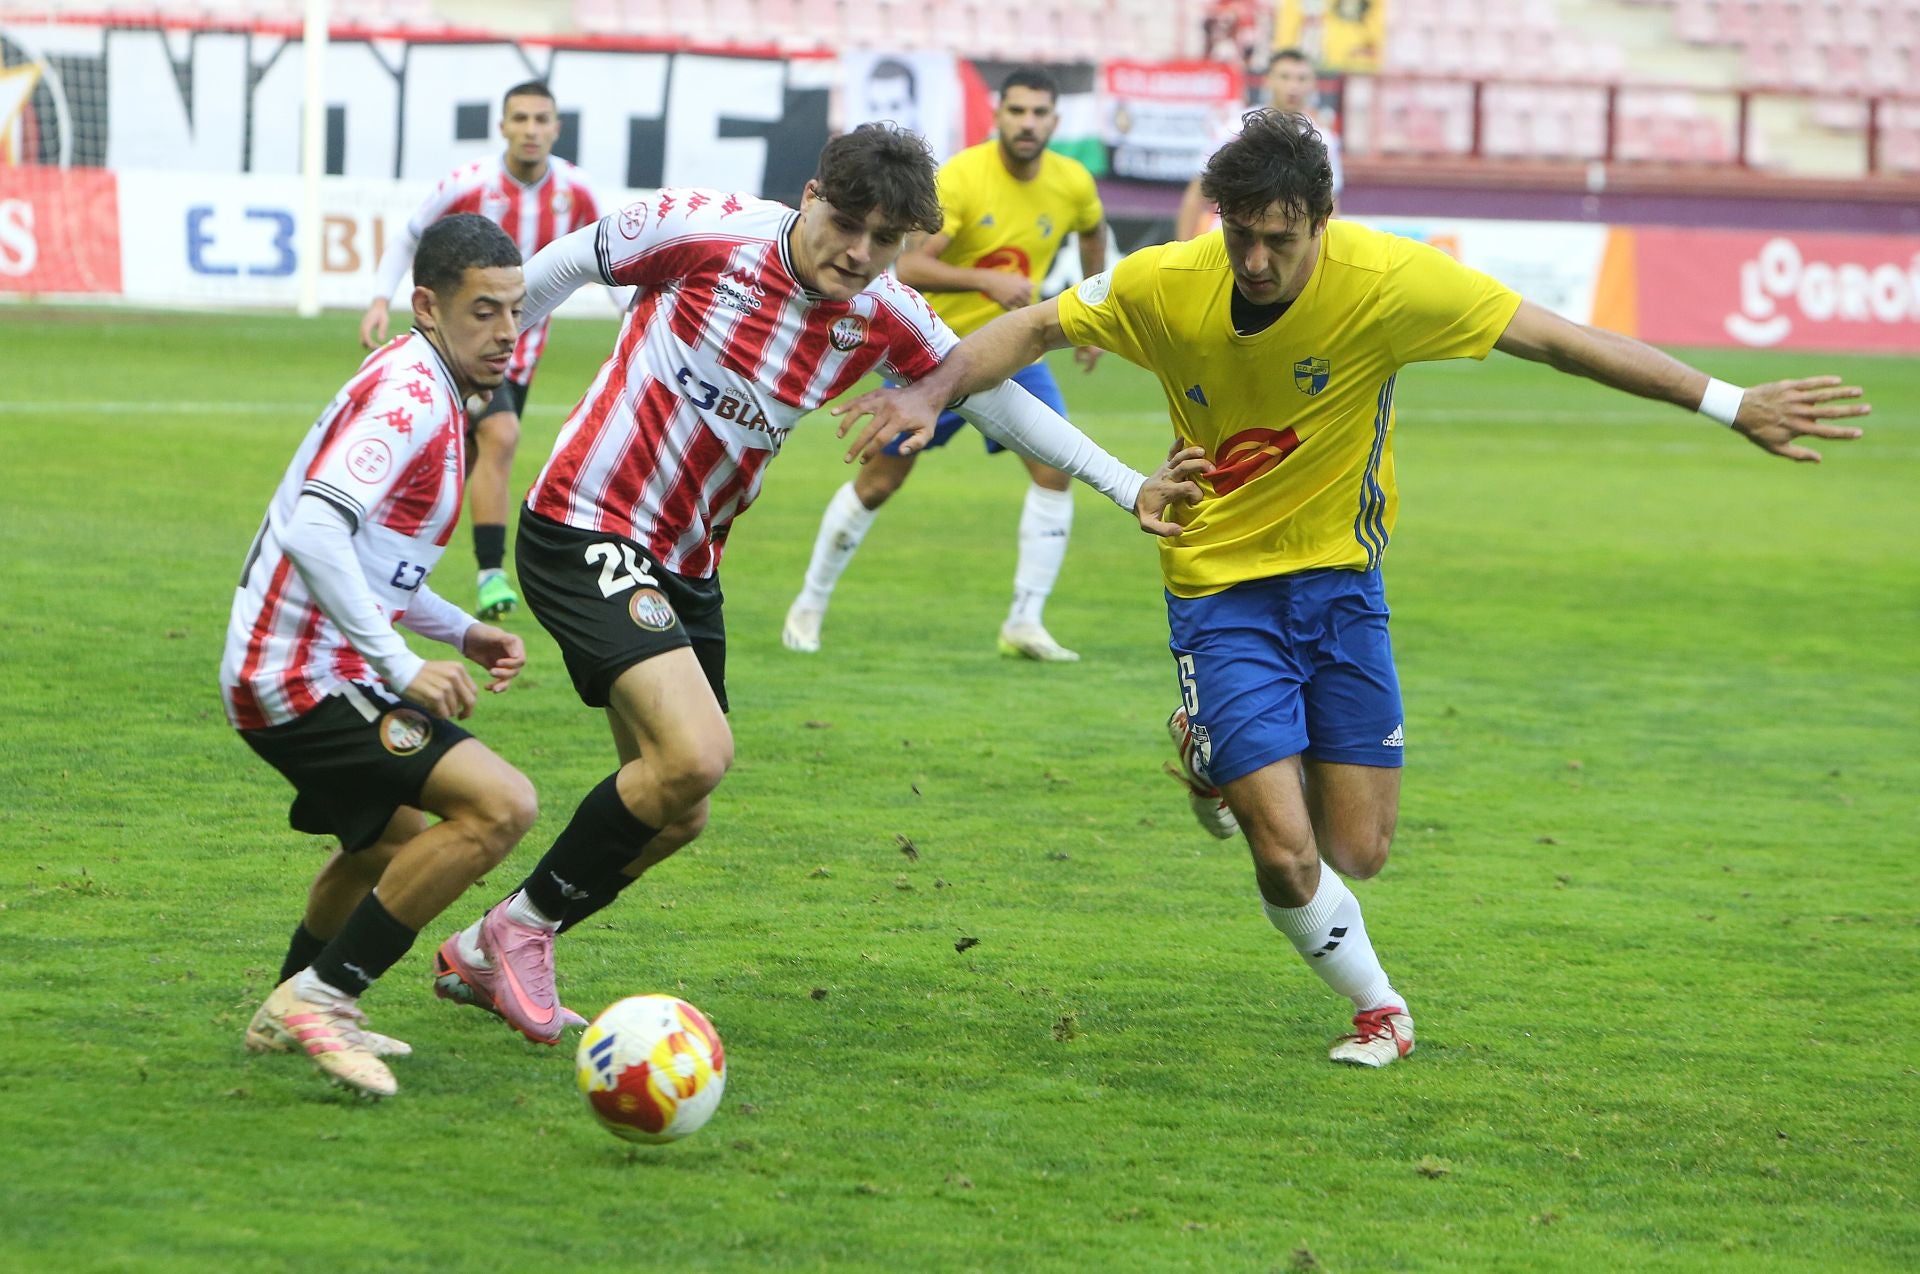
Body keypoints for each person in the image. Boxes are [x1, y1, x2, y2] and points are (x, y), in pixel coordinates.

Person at [832, 110, 1869, 1069]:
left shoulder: (1389, 280)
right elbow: (1034, 329)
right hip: (1216, 585)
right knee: (1287, 858)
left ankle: (1209, 753)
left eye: (1281, 240)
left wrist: (1730, 402)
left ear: (1323, 222)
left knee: (1357, 851)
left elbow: (1559, 339)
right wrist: (931, 390)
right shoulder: (1168, 279)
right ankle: (1381, 1009)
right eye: (1241, 235)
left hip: (1341, 586)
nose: (1256, 260)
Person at [429, 124, 1206, 1046]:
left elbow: (999, 401)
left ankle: (487, 948)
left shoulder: (885, 311)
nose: (859, 253)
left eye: (886, 240)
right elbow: (564, 266)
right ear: (809, 195)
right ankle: (517, 931)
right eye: (846, 224)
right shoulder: (703, 229)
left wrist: (1127, 485)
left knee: (678, 807)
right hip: (588, 519)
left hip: (689, 562)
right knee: (695, 757)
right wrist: (456, 374)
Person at [227, 214, 540, 1099]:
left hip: (300, 665)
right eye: (484, 311)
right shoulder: (410, 397)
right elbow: (315, 531)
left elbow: (373, 562)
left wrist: (460, 630)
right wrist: (401, 665)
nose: (507, 333)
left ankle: (284, 1006)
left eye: (515, 311)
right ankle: (322, 999)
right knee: (501, 807)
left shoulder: (432, 384)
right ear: (427, 307)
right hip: (299, 676)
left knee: (391, 845)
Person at [781, 68, 1110, 663]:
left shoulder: (1072, 182)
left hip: (1011, 354)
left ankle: (1025, 621)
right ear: (998, 115)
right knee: (879, 483)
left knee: (1054, 471)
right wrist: (985, 279)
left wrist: (1091, 313)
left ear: (1055, 122)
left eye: (1039, 113)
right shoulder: (961, 179)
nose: (1028, 123)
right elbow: (907, 267)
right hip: (931, 356)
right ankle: (809, 603)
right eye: (1017, 111)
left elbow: (1092, 232)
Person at [360, 80, 605, 623]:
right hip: (462, 348)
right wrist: (379, 298)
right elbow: (409, 235)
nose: (531, 130)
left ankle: (386, 551)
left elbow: (608, 255)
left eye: (541, 119)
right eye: (520, 118)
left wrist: (634, 317)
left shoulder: (578, 192)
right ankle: (491, 574)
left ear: (556, 128)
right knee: (501, 434)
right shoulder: (468, 183)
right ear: (502, 127)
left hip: (520, 355)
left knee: (462, 458)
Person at [1177, 49, 1341, 241]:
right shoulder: (1235, 131)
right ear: (1268, 81)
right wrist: (1181, 248)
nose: (1293, 86)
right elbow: (1197, 193)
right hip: (1230, 238)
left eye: (1302, 79)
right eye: (1285, 77)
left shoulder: (1323, 141)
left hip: (1288, 244)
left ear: (1313, 85)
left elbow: (1329, 204)